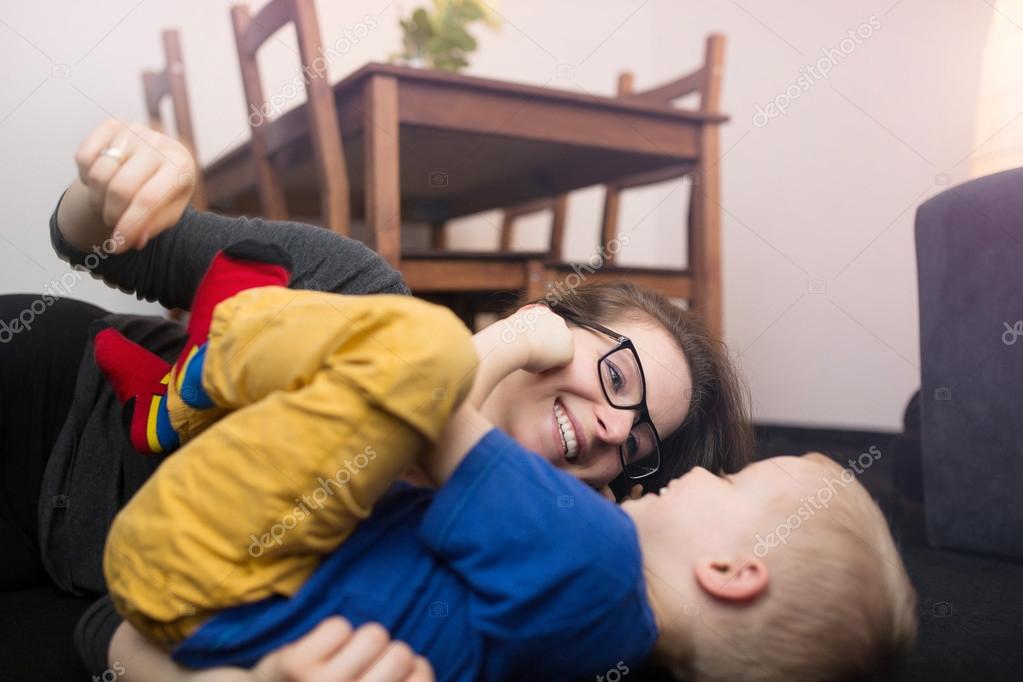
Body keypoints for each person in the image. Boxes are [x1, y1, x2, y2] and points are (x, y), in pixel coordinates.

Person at [0, 118, 753, 675]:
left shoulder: (437, 584)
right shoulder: (358, 294)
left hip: (51, 552)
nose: (610, 429)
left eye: (636, 449)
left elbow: (119, 624)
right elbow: (110, 245)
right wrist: (112, 183)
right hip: (45, 388)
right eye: (618, 379)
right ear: (549, 320)